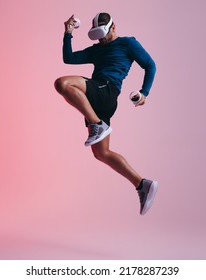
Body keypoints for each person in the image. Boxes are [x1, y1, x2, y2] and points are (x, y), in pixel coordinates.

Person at [54, 13, 158, 215]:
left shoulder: (128, 43)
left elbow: (150, 65)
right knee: (102, 153)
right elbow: (69, 58)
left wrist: (144, 92)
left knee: (62, 83)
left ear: (113, 27)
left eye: (103, 34)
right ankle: (142, 184)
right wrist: (68, 33)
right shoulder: (97, 50)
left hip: (107, 90)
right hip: (96, 100)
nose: (101, 39)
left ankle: (96, 124)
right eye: (97, 35)